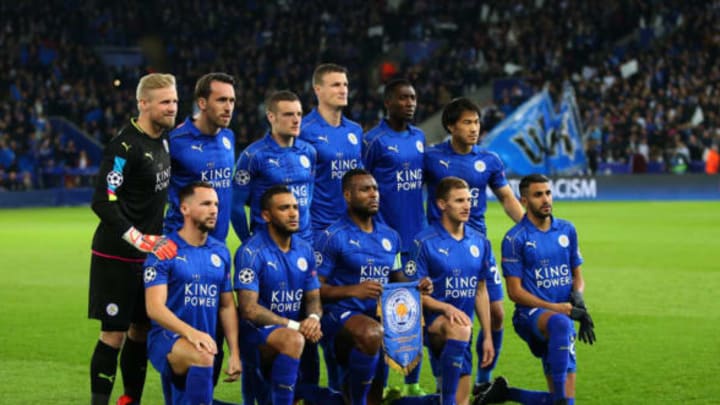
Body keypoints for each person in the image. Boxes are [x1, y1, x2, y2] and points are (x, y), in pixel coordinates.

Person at [87, 73, 179, 405]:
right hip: (116, 257)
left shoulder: (164, 140)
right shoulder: (123, 147)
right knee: (113, 333)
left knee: (140, 331)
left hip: (149, 256)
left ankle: (131, 400)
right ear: (144, 104)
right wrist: (140, 239)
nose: (172, 108)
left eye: (175, 101)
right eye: (165, 102)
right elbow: (102, 201)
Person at [423, 97, 524, 396]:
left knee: (497, 312)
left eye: (476, 122)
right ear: (451, 126)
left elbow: (506, 198)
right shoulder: (430, 158)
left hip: (477, 247)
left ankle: (483, 378)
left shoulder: (489, 160)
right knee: (443, 318)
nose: (473, 128)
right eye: (466, 122)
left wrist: (529, 230)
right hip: (440, 247)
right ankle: (439, 381)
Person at [476, 174, 596, 405]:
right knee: (561, 324)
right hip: (530, 316)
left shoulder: (567, 230)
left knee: (564, 401)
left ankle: (505, 393)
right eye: (538, 195)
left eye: (548, 193)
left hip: (562, 317)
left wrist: (578, 298)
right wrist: (558, 308)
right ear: (524, 200)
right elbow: (514, 292)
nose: (545, 199)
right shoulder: (515, 239)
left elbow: (577, 275)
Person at [314, 169, 431, 405]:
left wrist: (417, 286)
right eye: (365, 190)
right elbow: (314, 288)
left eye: (375, 189)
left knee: (376, 390)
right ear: (347, 195)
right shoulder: (331, 236)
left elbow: (397, 277)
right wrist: (352, 290)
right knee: (371, 334)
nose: (373, 194)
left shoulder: (391, 237)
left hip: (379, 317)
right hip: (340, 316)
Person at [162, 72, 237, 399]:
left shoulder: (229, 138)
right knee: (181, 338)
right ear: (202, 103)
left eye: (232, 100)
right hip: (179, 250)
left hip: (216, 250)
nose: (229, 107)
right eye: (222, 100)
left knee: (214, 338)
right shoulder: (175, 141)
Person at [396, 177, 496, 405]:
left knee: (460, 402)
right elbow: (414, 294)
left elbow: (480, 290)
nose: (467, 205)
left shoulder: (479, 242)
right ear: (442, 204)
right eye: (459, 200)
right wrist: (445, 307)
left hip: (463, 330)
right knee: (459, 329)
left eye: (468, 200)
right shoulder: (424, 242)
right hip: (432, 325)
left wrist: (488, 336)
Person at [144, 181, 241, 404]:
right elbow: (154, 308)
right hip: (168, 339)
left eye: (216, 204)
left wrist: (235, 352)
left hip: (206, 340)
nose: (214, 209)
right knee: (202, 357)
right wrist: (191, 333)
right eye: (206, 203)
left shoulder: (220, 251)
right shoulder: (164, 249)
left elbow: (226, 305)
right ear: (184, 209)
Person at [299, 63, 364, 391]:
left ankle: (339, 389)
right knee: (314, 314)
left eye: (345, 83)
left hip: (350, 238)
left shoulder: (355, 131)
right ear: (318, 90)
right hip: (317, 236)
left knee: (346, 310)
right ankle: (312, 390)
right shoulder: (305, 129)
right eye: (336, 84)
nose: (343, 89)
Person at [362, 79, 427, 395]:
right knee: (387, 313)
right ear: (388, 102)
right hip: (386, 241)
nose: (410, 103)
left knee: (416, 311)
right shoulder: (373, 140)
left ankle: (412, 383)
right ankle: (383, 386)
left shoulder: (419, 138)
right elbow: (360, 183)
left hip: (417, 238)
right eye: (403, 98)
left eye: (413, 98)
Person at [234, 185, 325, 405]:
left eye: (295, 207)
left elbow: (313, 298)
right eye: (284, 208)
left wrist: (313, 319)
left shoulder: (305, 250)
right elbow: (248, 309)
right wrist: (295, 326)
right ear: (266, 215)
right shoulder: (251, 252)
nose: (294, 213)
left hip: (294, 330)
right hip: (257, 333)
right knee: (293, 339)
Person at [231, 90, 317, 243]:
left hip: (305, 244)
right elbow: (235, 205)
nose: (296, 120)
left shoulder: (309, 152)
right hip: (268, 245)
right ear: (271, 117)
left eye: (299, 114)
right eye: (288, 114)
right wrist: (248, 242)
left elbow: (308, 196)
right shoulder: (253, 156)